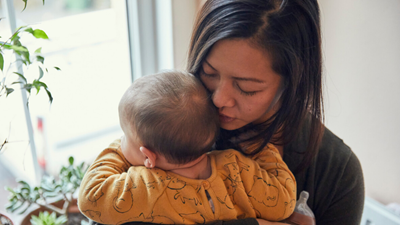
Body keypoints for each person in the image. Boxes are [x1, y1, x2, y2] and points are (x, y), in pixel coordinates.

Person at [183, 0, 365, 225]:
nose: (219, 99)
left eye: (247, 88)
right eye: (208, 72)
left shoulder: (337, 172)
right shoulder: (167, 121)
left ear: (293, 82)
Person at [78, 71, 296, 225]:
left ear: (149, 157)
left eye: (125, 136)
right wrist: (261, 147)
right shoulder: (238, 168)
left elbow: (90, 198)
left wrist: (118, 150)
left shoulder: (144, 188)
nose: (121, 141)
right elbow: (285, 200)